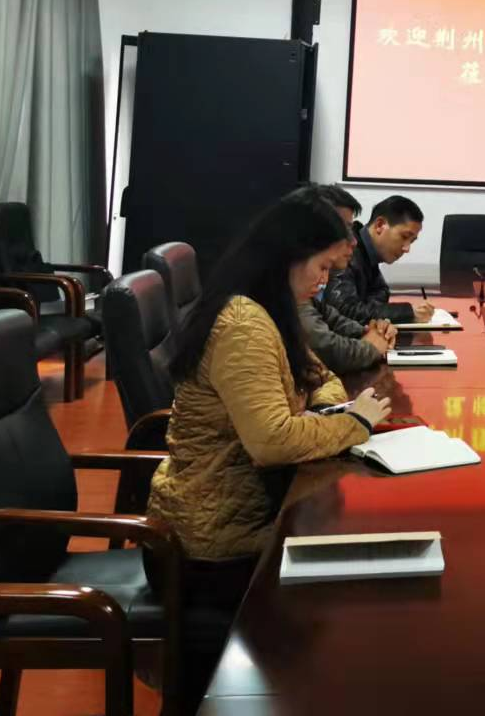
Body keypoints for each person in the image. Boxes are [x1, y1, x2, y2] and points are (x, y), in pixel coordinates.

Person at [147, 189, 391, 701]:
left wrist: (328, 410)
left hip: (246, 510)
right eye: (321, 268)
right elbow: (273, 441)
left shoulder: (273, 309)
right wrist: (356, 423)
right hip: (211, 538)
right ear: (289, 257)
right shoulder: (244, 325)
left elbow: (322, 378)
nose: (324, 282)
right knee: (355, 596)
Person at [299, 185, 393, 376]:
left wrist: (371, 331)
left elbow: (331, 318)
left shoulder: (310, 282)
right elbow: (328, 351)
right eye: (342, 229)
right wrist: (373, 347)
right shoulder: (290, 281)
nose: (353, 241)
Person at [321, 194, 425, 325]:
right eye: (404, 237)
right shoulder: (348, 252)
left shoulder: (369, 253)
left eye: (412, 241)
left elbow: (381, 292)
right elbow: (343, 310)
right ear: (380, 225)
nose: (407, 248)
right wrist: (408, 312)